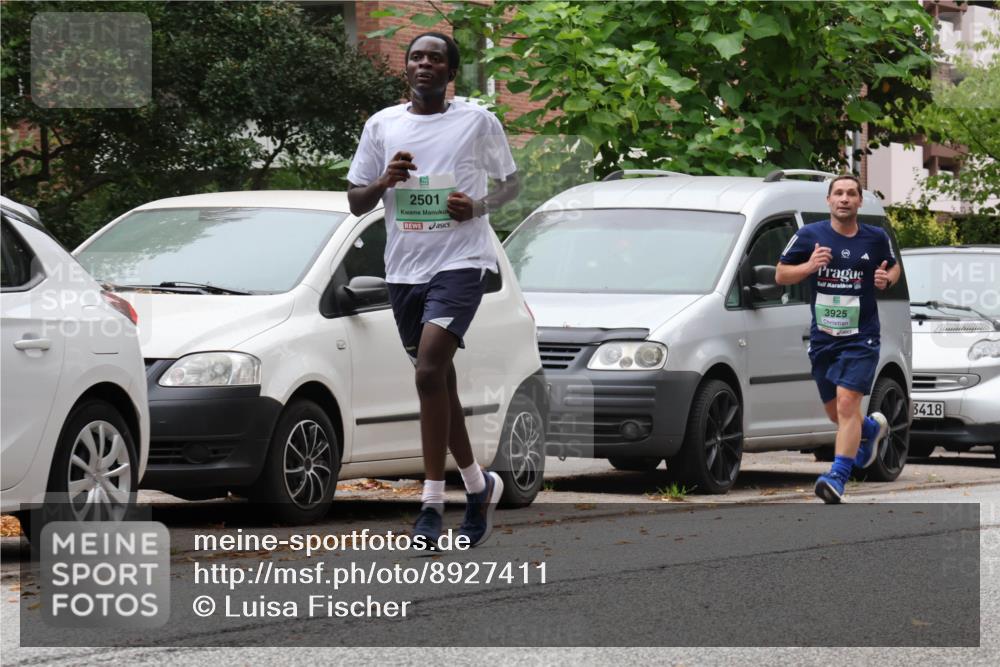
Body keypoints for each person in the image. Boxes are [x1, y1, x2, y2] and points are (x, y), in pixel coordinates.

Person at [346, 32, 520, 546]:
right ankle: (477, 483)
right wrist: (384, 182)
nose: (425, 64)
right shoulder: (382, 125)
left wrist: (479, 207)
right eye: (417, 57)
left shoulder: (476, 121)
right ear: (406, 70)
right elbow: (356, 202)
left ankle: (430, 503)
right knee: (439, 382)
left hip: (462, 262)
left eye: (435, 59)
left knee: (427, 370)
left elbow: (510, 183)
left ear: (450, 73)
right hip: (404, 270)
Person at [776, 174, 900, 503]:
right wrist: (809, 266)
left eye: (851, 194)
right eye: (838, 194)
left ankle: (838, 477)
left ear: (860, 201)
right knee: (836, 413)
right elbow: (780, 274)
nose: (844, 199)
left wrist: (885, 279)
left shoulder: (876, 237)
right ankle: (871, 430)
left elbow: (895, 268)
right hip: (824, 337)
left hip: (862, 337)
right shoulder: (810, 235)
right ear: (828, 201)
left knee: (847, 404)